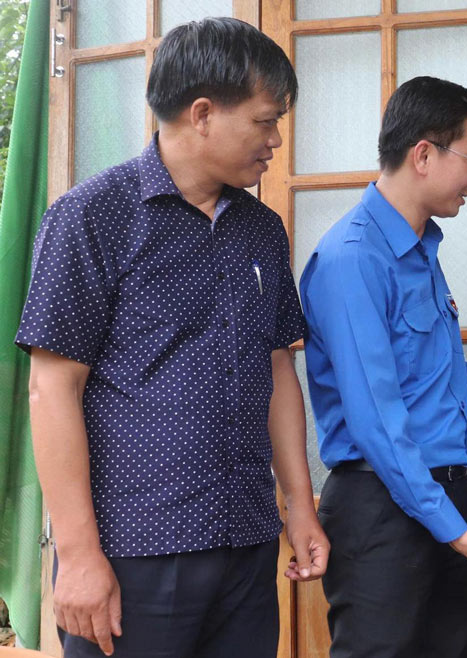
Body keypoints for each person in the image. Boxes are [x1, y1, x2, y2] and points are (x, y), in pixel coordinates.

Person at [16, 18, 328, 658]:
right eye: (266, 121)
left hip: (245, 542)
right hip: (134, 551)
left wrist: (299, 504)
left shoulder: (262, 231)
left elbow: (277, 371)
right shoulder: (89, 217)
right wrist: (77, 556)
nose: (275, 139)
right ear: (204, 113)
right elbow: (51, 389)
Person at [298, 75, 467, 658]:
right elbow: (375, 419)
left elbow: (423, 378)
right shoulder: (353, 259)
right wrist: (453, 531)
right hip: (382, 511)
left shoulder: (423, 249)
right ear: (424, 153)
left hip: (449, 497)